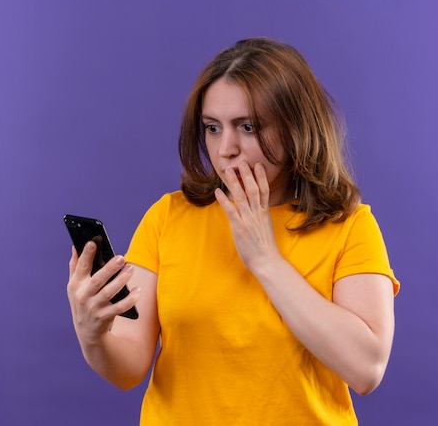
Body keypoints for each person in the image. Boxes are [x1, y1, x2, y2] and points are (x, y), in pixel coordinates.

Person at [67, 37, 400, 425]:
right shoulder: (168, 217)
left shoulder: (350, 226)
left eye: (247, 126)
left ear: (297, 128)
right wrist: (92, 334)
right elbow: (129, 367)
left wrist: (266, 260)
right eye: (212, 128)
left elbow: (366, 368)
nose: (225, 148)